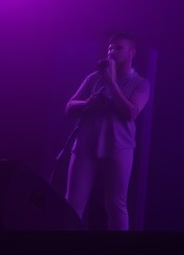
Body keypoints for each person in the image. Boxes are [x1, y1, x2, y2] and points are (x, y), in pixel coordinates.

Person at [63, 31, 150, 231]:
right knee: (73, 203)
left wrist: (111, 82)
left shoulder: (140, 84)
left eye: (119, 48)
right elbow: (69, 107)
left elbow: (131, 113)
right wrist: (88, 103)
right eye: (110, 48)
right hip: (85, 146)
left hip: (119, 147)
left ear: (132, 52)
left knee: (116, 205)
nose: (112, 51)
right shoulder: (93, 78)